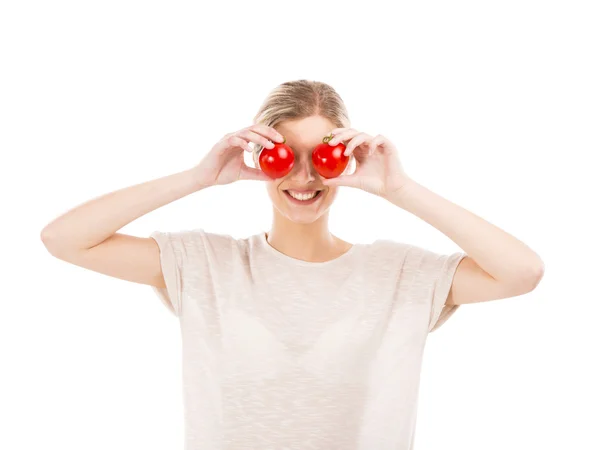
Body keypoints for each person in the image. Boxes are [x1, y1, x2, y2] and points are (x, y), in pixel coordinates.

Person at [41, 79, 545, 450]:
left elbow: (521, 272)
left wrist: (400, 189)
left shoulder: (400, 274)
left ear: (344, 158)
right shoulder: (205, 264)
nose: (304, 177)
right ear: (262, 158)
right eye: (286, 155)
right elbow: (64, 239)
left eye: (321, 156)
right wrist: (198, 178)